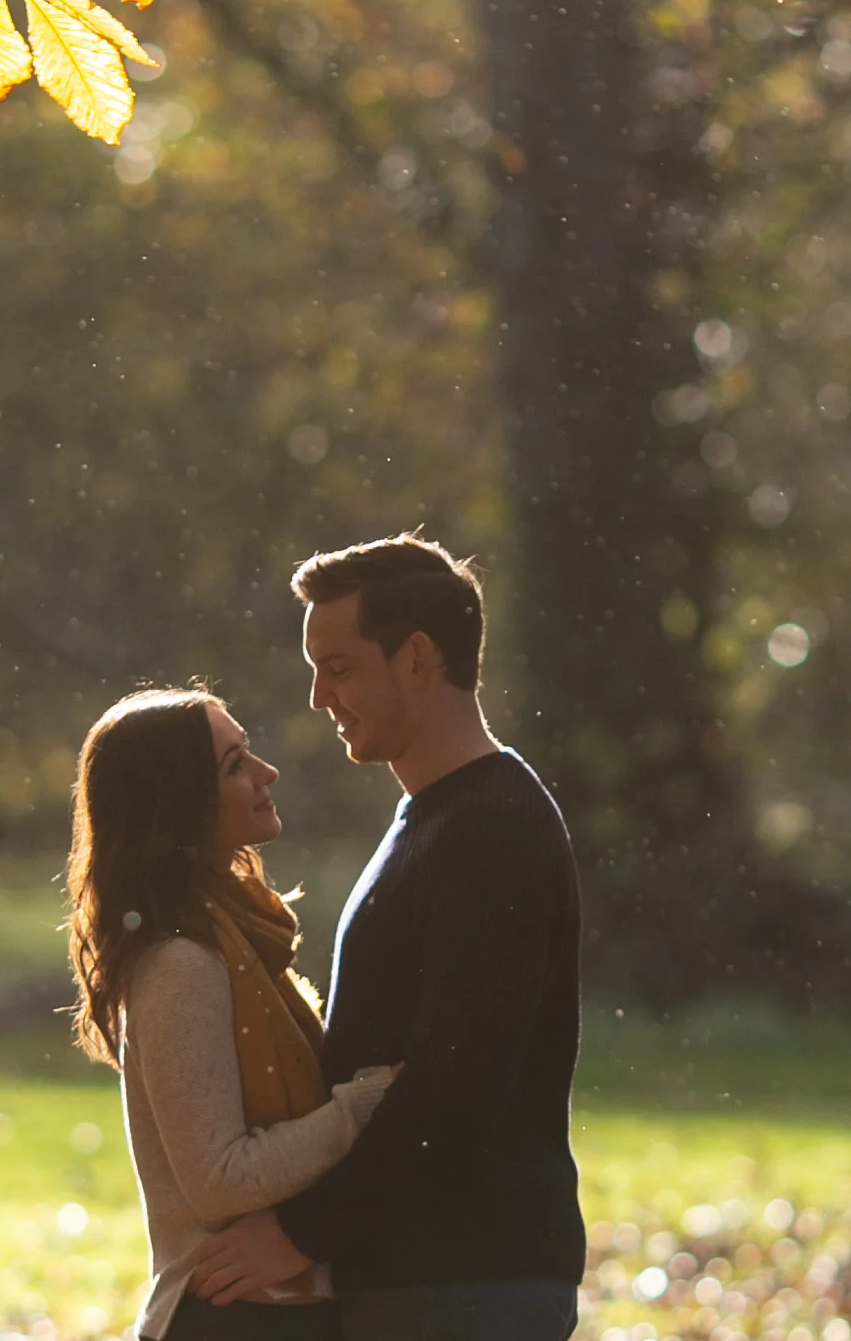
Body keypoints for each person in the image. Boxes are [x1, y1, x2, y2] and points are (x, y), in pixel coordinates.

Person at [189, 535, 586, 1341]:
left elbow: (458, 1085)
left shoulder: (492, 827)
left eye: (337, 667)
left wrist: (299, 1232)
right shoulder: (439, 816)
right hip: (424, 1278)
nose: (315, 696)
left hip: (467, 1283)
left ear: (415, 659)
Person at [66, 686, 395, 1341]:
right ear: (179, 802)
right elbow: (219, 1178)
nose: (266, 773)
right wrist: (361, 1109)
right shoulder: (179, 962)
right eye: (235, 764)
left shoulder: (233, 938)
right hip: (228, 1313)